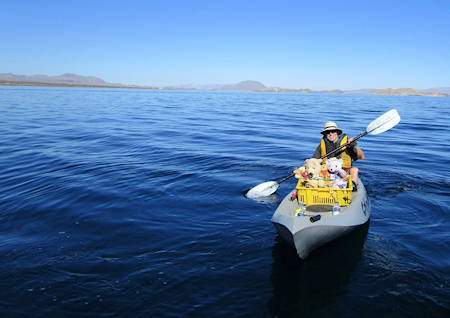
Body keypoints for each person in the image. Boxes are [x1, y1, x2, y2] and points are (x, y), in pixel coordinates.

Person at [312, 121, 364, 191]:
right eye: (328, 132)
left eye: (333, 131)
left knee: (354, 170)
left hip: (344, 172)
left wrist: (355, 146)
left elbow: (361, 157)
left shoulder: (347, 144)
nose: (330, 134)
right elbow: (314, 160)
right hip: (328, 172)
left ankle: (352, 186)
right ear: (325, 134)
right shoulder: (322, 146)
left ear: (337, 132)